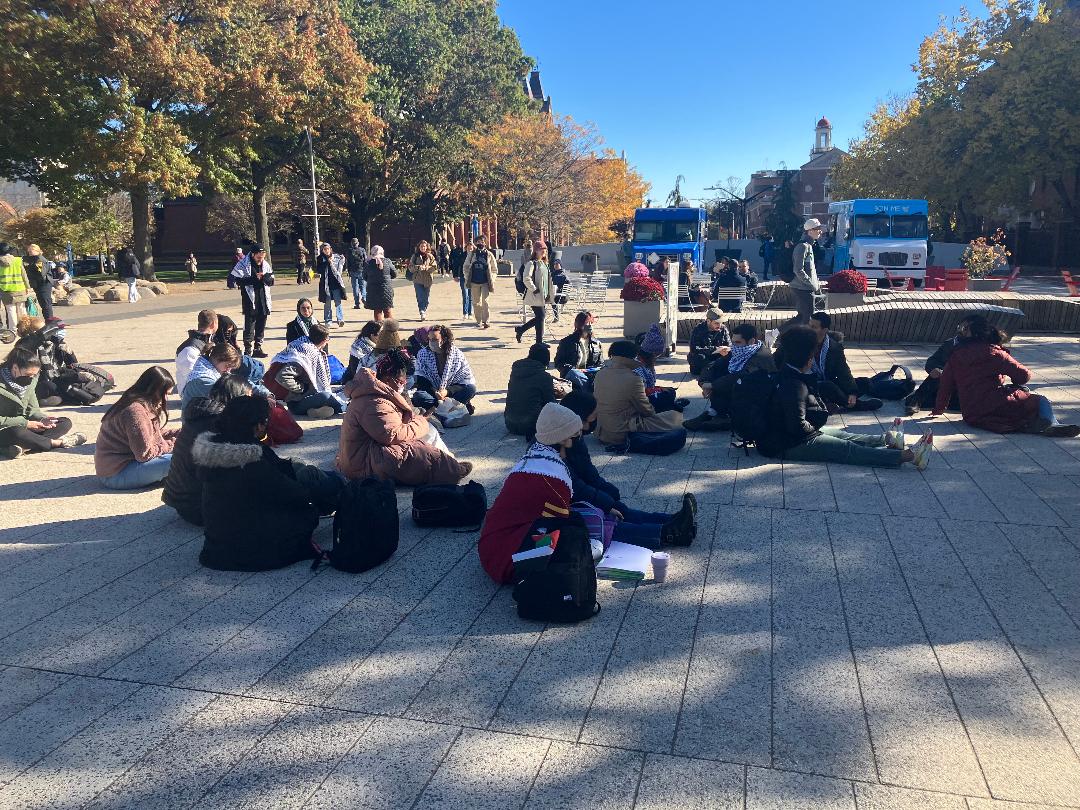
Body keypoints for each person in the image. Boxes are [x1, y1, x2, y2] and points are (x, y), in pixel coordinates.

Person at [757, 326, 931, 469]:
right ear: (809, 358)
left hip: (784, 434)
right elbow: (797, 426)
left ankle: (887, 439)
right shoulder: (794, 385)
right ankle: (908, 456)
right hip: (787, 444)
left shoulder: (786, 373)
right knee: (848, 449)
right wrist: (815, 430)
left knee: (841, 435)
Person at [193, 396, 320, 571]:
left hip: (216, 548)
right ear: (258, 425)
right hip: (252, 554)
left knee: (300, 472)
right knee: (309, 499)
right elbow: (294, 493)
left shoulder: (213, 451)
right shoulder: (251, 460)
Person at [560, 389, 697, 548]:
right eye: (589, 420)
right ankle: (670, 533)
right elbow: (576, 487)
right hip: (562, 513)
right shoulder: (553, 453)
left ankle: (672, 520)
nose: (591, 424)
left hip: (575, 501)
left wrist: (609, 495)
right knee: (608, 527)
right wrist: (606, 503)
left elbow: (587, 472)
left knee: (620, 510)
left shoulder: (571, 437)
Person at [337, 349, 473, 485]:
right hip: (364, 462)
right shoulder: (374, 402)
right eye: (401, 381)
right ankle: (451, 469)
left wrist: (417, 419)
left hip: (365, 452)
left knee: (429, 431)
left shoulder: (376, 392)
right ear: (388, 379)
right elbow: (392, 434)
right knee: (419, 452)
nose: (403, 384)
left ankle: (449, 462)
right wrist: (420, 422)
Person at [478, 402, 580, 584]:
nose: (578, 440)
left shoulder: (531, 461)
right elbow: (560, 527)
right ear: (564, 438)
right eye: (575, 435)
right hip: (508, 558)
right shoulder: (553, 479)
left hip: (492, 547)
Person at [933, 316, 1080, 437]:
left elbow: (945, 386)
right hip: (996, 404)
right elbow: (1023, 376)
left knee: (1018, 399)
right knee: (1040, 400)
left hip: (971, 413)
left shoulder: (955, 355)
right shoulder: (995, 353)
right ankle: (1052, 424)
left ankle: (1032, 425)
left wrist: (939, 409)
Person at [162, 375, 253, 525]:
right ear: (238, 398)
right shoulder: (220, 424)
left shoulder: (202, 414)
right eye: (249, 398)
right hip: (200, 509)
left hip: (181, 502)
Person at [94, 366, 178, 488]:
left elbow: (152, 434)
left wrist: (182, 433)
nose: (166, 398)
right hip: (116, 474)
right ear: (155, 390)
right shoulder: (134, 411)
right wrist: (175, 443)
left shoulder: (138, 403)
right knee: (180, 460)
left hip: (125, 465)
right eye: (166, 394)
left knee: (182, 454)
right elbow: (145, 454)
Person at [593, 340, 685, 450]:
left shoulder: (600, 374)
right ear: (632, 357)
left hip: (602, 432)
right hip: (622, 431)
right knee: (675, 417)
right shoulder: (633, 378)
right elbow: (646, 410)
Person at [784, 312, 882, 412]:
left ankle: (835, 402)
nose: (809, 329)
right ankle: (857, 405)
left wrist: (852, 393)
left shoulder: (834, 347)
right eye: (809, 326)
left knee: (864, 382)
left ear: (825, 330)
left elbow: (843, 371)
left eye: (814, 327)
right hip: (806, 386)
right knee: (828, 386)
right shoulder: (800, 342)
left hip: (826, 384)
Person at [685, 323, 775, 431]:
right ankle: (716, 413)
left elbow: (741, 377)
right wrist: (705, 382)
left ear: (751, 341)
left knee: (729, 382)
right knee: (719, 370)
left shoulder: (761, 356)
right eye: (733, 342)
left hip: (755, 399)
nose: (734, 346)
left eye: (738, 342)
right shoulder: (741, 350)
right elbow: (715, 364)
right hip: (741, 389)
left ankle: (726, 417)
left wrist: (713, 385)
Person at [0, 345, 85, 458]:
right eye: (28, 375)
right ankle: (57, 443)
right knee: (17, 432)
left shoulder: (30, 382)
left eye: (34, 375)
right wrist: (26, 423)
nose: (31, 378)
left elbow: (33, 409)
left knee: (64, 423)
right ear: (15, 368)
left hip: (24, 428)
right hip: (7, 429)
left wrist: (42, 419)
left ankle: (20, 447)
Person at [265, 325, 342, 419]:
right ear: (324, 341)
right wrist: (302, 388)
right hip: (296, 402)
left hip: (303, 399)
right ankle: (341, 407)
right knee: (327, 396)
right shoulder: (305, 355)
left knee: (338, 391)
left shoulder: (299, 343)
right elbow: (282, 376)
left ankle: (315, 411)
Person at [903, 316, 975, 415]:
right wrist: (934, 369)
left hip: (962, 387)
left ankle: (917, 399)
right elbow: (932, 361)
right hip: (942, 381)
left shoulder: (978, 347)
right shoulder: (950, 343)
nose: (961, 330)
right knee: (938, 373)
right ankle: (917, 399)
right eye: (960, 327)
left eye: (965, 329)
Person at [411, 324, 477, 414]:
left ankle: (439, 408)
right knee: (419, 396)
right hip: (433, 393)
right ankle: (451, 407)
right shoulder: (423, 354)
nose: (431, 342)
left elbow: (465, 381)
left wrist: (447, 392)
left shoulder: (457, 354)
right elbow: (421, 379)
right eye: (430, 339)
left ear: (444, 339)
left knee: (471, 389)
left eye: (435, 340)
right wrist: (435, 392)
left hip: (451, 392)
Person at [15, 316, 79, 406]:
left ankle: (60, 397)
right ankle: (42, 400)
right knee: (51, 387)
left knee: (67, 383)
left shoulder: (49, 344)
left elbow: (57, 366)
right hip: (32, 383)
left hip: (48, 378)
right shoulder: (24, 345)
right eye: (44, 330)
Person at [505, 343, 557, 439]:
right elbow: (550, 403)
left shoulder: (516, 371)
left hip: (510, 423)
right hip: (531, 425)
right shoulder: (544, 376)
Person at [230, 245, 274, 358]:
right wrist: (255, 278)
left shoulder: (265, 265)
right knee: (249, 325)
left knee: (261, 323)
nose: (260, 260)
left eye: (262, 258)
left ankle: (257, 347)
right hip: (250, 299)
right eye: (258, 257)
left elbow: (271, 281)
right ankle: (248, 349)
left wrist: (264, 278)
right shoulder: (243, 264)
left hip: (263, 299)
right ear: (253, 255)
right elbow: (238, 281)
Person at [635, 323, 689, 414]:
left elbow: (650, 386)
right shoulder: (638, 368)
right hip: (640, 399)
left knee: (670, 391)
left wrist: (659, 389)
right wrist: (658, 390)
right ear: (653, 354)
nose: (658, 357)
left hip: (646, 393)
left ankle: (669, 405)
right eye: (658, 355)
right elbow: (641, 392)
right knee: (669, 394)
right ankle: (670, 406)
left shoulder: (646, 364)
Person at [783, 219, 823, 330]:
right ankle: (774, 334)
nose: (820, 231)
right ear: (810, 231)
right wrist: (810, 283)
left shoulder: (809, 246)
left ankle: (774, 334)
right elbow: (798, 269)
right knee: (805, 318)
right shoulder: (803, 246)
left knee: (804, 318)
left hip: (804, 288)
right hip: (802, 288)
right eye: (818, 229)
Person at [181, 341, 243, 411]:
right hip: (196, 419)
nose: (228, 370)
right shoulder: (204, 380)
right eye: (227, 365)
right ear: (216, 359)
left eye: (231, 367)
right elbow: (228, 396)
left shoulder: (210, 367)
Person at [515, 240, 553, 344]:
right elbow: (526, 278)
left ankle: (521, 330)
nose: (544, 251)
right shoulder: (532, 263)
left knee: (540, 317)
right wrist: (534, 289)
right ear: (536, 251)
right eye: (541, 249)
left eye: (545, 249)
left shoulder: (545, 263)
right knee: (541, 317)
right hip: (535, 295)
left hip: (543, 295)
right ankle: (539, 343)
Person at [554, 310, 603, 390]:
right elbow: (558, 363)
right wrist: (575, 370)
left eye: (591, 323)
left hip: (590, 374)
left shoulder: (596, 343)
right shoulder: (567, 342)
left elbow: (600, 364)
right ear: (580, 324)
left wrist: (592, 370)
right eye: (587, 323)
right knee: (575, 374)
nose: (590, 326)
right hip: (573, 375)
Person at [174, 309, 218, 393]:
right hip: (192, 395)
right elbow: (191, 376)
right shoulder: (189, 349)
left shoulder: (207, 342)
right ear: (213, 324)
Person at [463, 235, 497, 329]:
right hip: (474, 281)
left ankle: (486, 321)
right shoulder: (472, 254)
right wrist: (467, 276)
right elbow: (465, 266)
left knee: (485, 302)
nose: (480, 243)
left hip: (485, 282)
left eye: (482, 241)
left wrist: (492, 279)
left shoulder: (489, 254)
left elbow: (494, 269)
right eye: (478, 242)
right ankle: (478, 320)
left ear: (485, 243)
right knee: (476, 302)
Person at [687, 309, 731, 376]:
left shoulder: (723, 329)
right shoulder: (698, 330)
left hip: (717, 357)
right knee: (700, 357)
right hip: (704, 357)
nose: (719, 325)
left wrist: (726, 349)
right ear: (708, 321)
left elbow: (729, 344)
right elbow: (694, 349)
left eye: (721, 322)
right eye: (716, 323)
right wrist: (714, 349)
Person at [1, 243, 32, 329]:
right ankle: (25, 328)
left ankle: (13, 330)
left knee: (11, 312)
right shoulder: (18, 260)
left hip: (6, 291)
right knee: (22, 310)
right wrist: (28, 287)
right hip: (20, 289)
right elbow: (24, 275)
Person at [315, 242, 347, 327]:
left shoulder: (336, 257)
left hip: (336, 283)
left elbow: (341, 268)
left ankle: (340, 319)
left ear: (330, 249)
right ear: (323, 250)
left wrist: (343, 260)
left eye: (328, 249)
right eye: (325, 249)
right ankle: (328, 320)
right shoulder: (320, 258)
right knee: (327, 302)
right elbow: (318, 270)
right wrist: (327, 263)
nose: (326, 251)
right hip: (326, 284)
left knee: (338, 301)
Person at [364, 245, 396, 321]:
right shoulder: (387, 261)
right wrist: (387, 278)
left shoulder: (368, 263)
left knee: (377, 310)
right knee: (387, 310)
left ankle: (378, 328)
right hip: (386, 289)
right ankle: (391, 329)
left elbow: (364, 276)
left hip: (373, 290)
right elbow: (394, 273)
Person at [22, 245, 54, 321]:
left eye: (31, 251)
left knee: (46, 304)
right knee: (43, 304)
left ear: (37, 251)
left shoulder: (40, 259)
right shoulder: (31, 259)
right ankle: (48, 320)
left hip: (44, 284)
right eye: (28, 251)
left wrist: (29, 267)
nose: (29, 253)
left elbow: (41, 273)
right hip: (38, 284)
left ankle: (50, 321)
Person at [409, 240, 437, 321]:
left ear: (427, 247)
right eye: (421, 246)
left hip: (428, 279)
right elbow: (410, 267)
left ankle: (424, 309)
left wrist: (428, 268)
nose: (423, 248)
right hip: (418, 279)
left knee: (426, 297)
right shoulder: (415, 256)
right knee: (420, 296)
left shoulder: (430, 256)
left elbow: (434, 266)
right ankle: (422, 312)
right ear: (419, 247)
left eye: (424, 246)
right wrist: (418, 267)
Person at [450, 239, 471, 320]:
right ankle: (465, 313)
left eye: (471, 248)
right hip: (463, 277)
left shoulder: (475, 256)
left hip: (473, 278)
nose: (470, 249)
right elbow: (456, 265)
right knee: (465, 295)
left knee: (471, 295)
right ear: (466, 248)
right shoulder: (462, 255)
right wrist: (455, 275)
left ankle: (470, 312)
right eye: (468, 248)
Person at [346, 238, 367, 309]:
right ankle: (364, 297)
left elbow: (348, 262)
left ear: (351, 244)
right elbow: (365, 260)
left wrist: (348, 271)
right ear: (358, 243)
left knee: (355, 288)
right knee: (362, 286)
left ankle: (357, 304)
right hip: (361, 270)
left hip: (352, 271)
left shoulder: (349, 251)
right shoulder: (362, 250)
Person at [550, 254, 568, 321]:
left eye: (557, 264)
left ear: (560, 265)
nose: (555, 265)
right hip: (563, 296)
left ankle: (555, 316)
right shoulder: (563, 274)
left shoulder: (559, 275)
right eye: (554, 264)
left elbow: (554, 284)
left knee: (551, 300)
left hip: (560, 297)